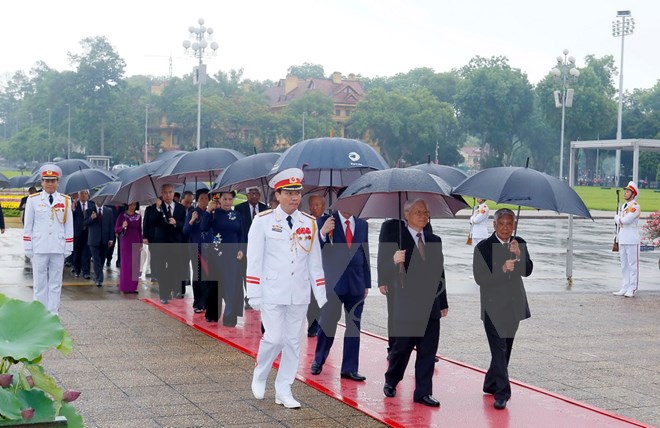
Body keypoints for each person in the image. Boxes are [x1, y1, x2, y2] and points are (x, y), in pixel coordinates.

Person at [247, 168, 327, 409]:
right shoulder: (263, 221)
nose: (295, 198)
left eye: (298, 193)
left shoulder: (309, 223)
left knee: (293, 342)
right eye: (289, 193)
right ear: (278, 195)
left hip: (299, 293)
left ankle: (284, 389)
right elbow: (254, 259)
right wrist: (254, 293)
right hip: (272, 290)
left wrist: (321, 295)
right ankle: (260, 372)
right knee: (274, 338)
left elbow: (315, 262)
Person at [379, 198, 448, 407]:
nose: (423, 215)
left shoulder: (434, 240)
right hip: (407, 304)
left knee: (428, 350)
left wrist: (443, 302)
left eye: (425, 212)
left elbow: (440, 273)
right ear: (406, 215)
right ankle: (392, 379)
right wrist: (394, 261)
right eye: (418, 212)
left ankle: (423, 392)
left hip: (430, 305)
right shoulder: (397, 238)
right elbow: (386, 270)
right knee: (402, 348)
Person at [473, 208, 533, 410]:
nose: (506, 228)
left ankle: (491, 383)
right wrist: (502, 269)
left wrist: (520, 255)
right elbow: (480, 279)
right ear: (494, 225)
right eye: (502, 223)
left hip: (513, 305)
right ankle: (502, 392)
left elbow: (528, 271)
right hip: (492, 307)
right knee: (498, 348)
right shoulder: (483, 247)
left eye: (510, 223)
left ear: (514, 224)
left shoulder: (519, 242)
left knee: (505, 348)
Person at [310, 207, 370, 382]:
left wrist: (367, 282)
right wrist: (322, 233)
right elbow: (313, 250)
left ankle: (350, 368)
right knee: (327, 324)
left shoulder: (362, 225)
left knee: (354, 326)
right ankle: (319, 360)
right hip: (333, 284)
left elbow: (364, 253)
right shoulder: (324, 222)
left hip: (356, 284)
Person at [23, 164, 74, 314]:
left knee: (55, 283)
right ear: (42, 182)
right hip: (39, 246)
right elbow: (28, 225)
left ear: (58, 182)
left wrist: (68, 246)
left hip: (58, 246)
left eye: (53, 181)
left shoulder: (65, 200)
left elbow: (68, 226)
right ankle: (39, 315)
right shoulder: (33, 200)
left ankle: (53, 314)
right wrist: (28, 246)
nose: (50, 184)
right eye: (47, 180)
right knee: (39, 283)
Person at [202, 190, 246, 326]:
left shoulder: (237, 215)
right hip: (217, 253)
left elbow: (242, 234)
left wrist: (241, 250)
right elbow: (203, 227)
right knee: (215, 285)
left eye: (229, 199)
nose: (227, 202)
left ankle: (230, 317)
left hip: (233, 255)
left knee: (232, 285)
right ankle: (212, 314)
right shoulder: (214, 214)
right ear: (219, 200)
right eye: (224, 199)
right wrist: (208, 211)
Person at [147, 184, 187, 303]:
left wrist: (176, 223)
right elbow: (151, 222)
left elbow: (184, 224)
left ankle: (169, 289)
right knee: (161, 269)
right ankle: (163, 295)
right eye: (165, 192)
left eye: (170, 192)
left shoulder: (180, 208)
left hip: (175, 243)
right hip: (160, 243)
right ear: (162, 194)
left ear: (174, 193)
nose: (168, 195)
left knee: (173, 269)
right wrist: (158, 209)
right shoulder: (156, 207)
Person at [234, 187, 268, 310]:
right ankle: (249, 297)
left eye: (256, 194)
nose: (254, 196)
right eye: (251, 194)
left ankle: (260, 296)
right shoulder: (239, 208)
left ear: (259, 195)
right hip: (245, 245)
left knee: (261, 270)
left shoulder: (266, 209)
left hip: (261, 246)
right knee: (246, 271)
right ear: (247, 195)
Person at [183, 189, 213, 313]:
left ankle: (207, 302)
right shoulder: (192, 212)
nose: (204, 201)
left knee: (208, 276)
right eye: (201, 198)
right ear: (197, 199)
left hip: (210, 248)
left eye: (206, 198)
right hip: (196, 248)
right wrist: (191, 221)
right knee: (198, 276)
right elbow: (185, 231)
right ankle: (198, 302)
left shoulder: (212, 213)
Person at [613, 181, 641, 297]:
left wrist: (617, 219)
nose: (625, 193)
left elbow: (626, 220)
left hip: (632, 238)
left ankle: (632, 288)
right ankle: (625, 286)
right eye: (625, 191)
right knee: (624, 264)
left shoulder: (635, 206)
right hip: (623, 238)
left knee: (632, 265)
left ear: (633, 194)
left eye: (628, 191)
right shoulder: (624, 206)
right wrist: (619, 218)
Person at [304, 194, 326, 336]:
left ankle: (323, 324)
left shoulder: (331, 220)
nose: (314, 208)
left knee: (324, 296)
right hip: (308, 266)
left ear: (323, 205)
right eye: (312, 205)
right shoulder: (306, 221)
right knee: (311, 297)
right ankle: (312, 325)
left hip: (326, 265)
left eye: (317, 205)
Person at [114, 202, 142, 293]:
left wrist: (141, 243)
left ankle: (133, 287)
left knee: (135, 265)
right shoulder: (122, 216)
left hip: (136, 240)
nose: (132, 207)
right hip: (125, 242)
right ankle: (125, 287)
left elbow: (139, 230)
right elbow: (116, 229)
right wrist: (123, 226)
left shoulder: (138, 216)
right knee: (126, 265)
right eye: (130, 204)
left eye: (134, 205)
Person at [84, 203, 115, 287]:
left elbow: (111, 225)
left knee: (102, 259)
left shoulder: (109, 211)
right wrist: (91, 218)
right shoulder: (89, 210)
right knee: (96, 259)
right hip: (93, 240)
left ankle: (98, 275)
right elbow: (85, 222)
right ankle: (99, 279)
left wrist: (111, 238)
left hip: (105, 239)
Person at [72, 190, 92, 279]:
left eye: (85, 194)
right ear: (78, 195)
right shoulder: (75, 205)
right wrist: (72, 208)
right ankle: (77, 270)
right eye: (81, 194)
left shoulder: (91, 205)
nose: (83, 195)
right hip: (77, 232)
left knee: (87, 253)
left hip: (88, 232)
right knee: (77, 252)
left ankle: (86, 272)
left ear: (88, 195)